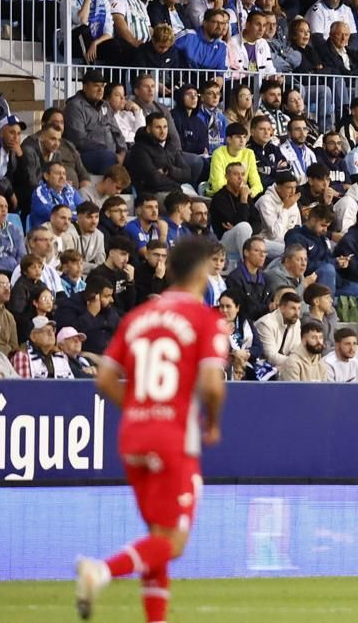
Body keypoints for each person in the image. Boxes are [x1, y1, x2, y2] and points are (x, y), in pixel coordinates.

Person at [75, 237, 229, 621]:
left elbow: (105, 379)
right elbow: (212, 384)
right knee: (173, 543)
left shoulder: (137, 317)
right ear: (203, 272)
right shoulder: (205, 318)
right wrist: (211, 423)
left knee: (157, 540)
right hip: (173, 437)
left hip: (132, 435)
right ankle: (102, 571)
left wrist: (141, 410)